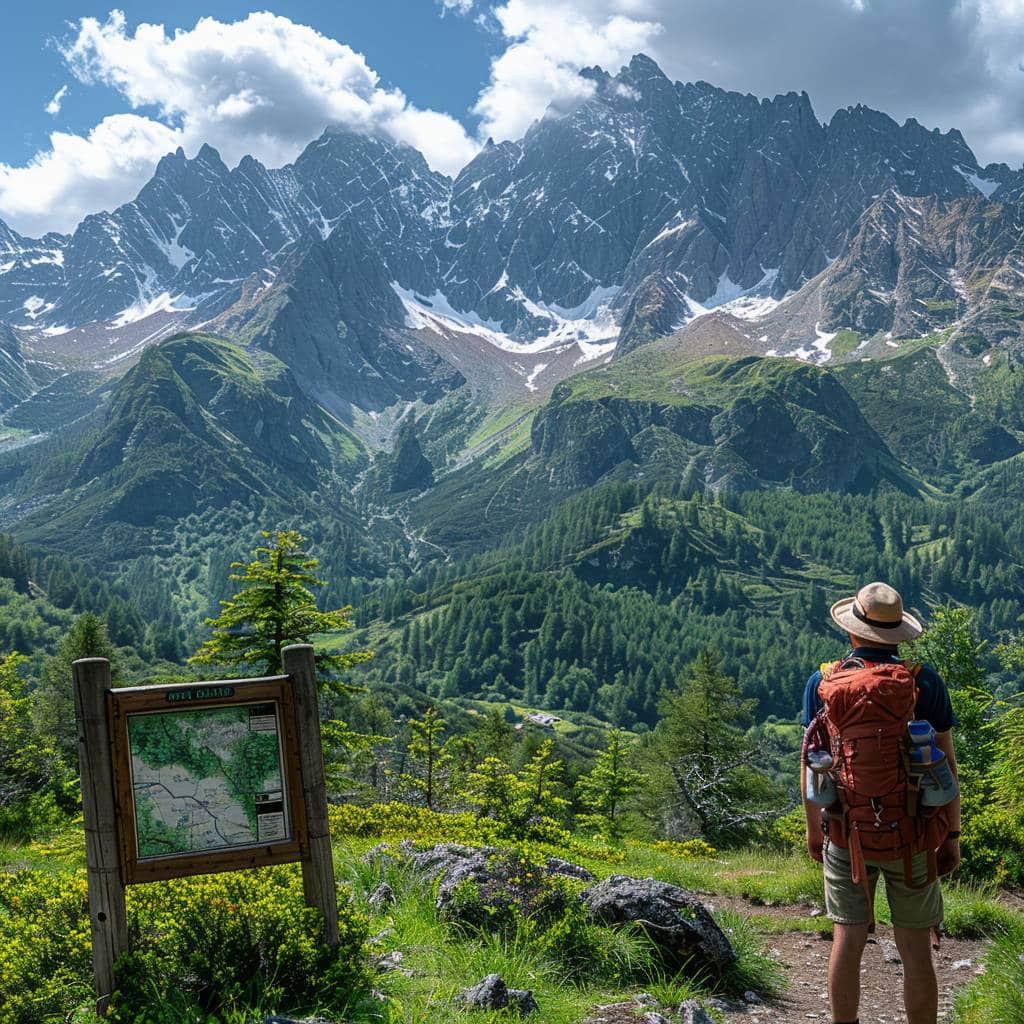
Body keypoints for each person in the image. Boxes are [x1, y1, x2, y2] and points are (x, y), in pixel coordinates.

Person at [800, 582, 961, 1024]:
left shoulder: (824, 681)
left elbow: (812, 760)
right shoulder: (922, 680)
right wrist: (952, 834)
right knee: (914, 950)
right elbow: (945, 761)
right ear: (897, 634)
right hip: (912, 833)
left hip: (845, 830)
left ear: (852, 631)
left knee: (847, 940)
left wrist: (815, 830)